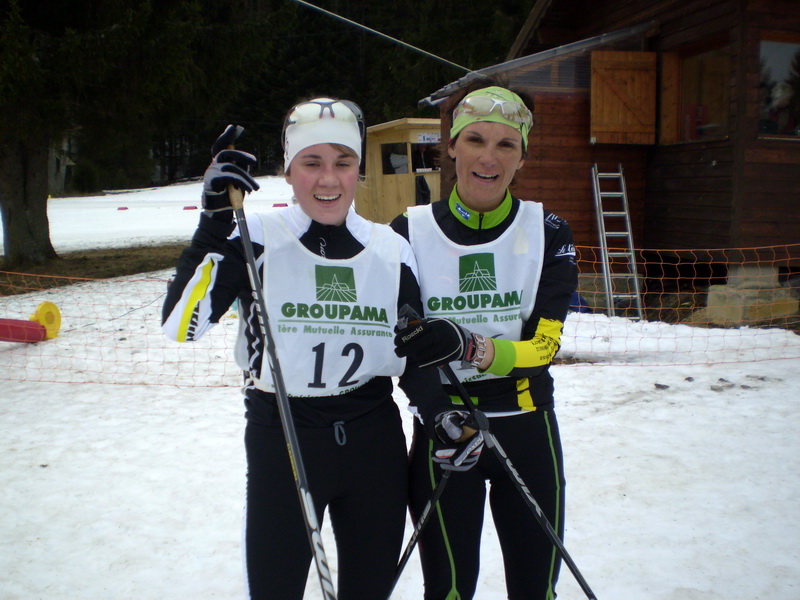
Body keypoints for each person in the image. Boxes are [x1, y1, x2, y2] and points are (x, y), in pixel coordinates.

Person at [161, 98, 452, 599]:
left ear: (359, 169)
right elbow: (181, 326)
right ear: (288, 171)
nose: (328, 180)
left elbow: (410, 349)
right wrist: (212, 222)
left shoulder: (390, 248)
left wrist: (442, 411)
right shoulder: (254, 238)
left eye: (343, 162)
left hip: (372, 440)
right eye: (311, 163)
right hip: (284, 436)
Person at [391, 82, 579, 599]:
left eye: (506, 145)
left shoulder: (549, 230)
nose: (488, 158)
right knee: (448, 592)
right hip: (448, 430)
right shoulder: (408, 230)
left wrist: (471, 347)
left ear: (523, 155)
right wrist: (438, 413)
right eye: (475, 140)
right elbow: (404, 346)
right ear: (450, 146)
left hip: (527, 426)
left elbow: (543, 348)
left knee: (535, 590)